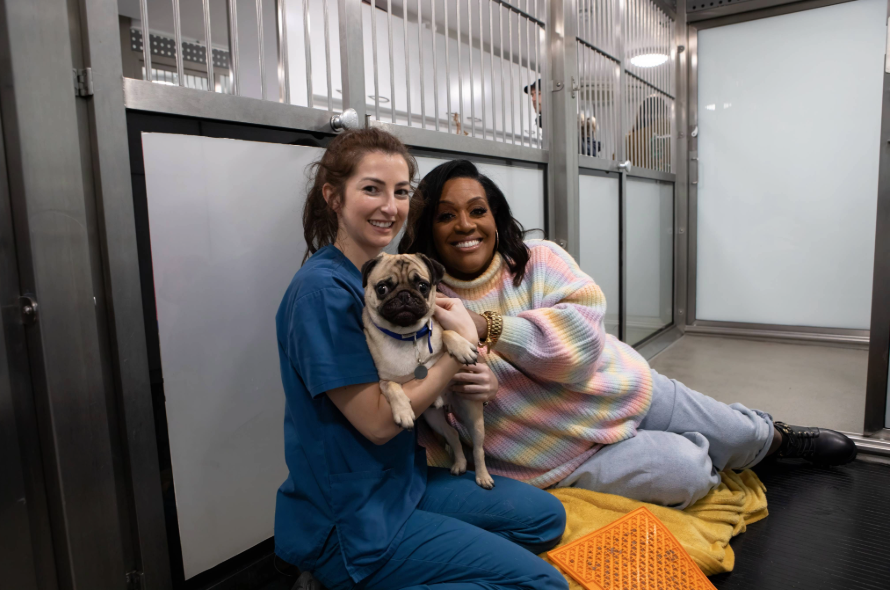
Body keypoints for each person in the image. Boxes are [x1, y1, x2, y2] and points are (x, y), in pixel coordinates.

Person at [400, 159, 857, 510]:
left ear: (495, 217)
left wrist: (487, 325)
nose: (465, 226)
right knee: (687, 474)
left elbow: (581, 345)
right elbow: (425, 395)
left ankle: (771, 439)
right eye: (445, 216)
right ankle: (710, 453)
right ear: (428, 231)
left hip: (620, 389)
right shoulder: (421, 301)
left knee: (740, 435)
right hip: (552, 452)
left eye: (477, 211)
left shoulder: (538, 258)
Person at [274, 129, 569, 590]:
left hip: (402, 483)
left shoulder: (383, 270)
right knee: (541, 584)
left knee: (545, 518)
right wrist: (461, 344)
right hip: (352, 519)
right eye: (371, 189)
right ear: (333, 197)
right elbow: (377, 423)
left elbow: (418, 367)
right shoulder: (322, 293)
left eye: (401, 191)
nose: (390, 207)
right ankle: (342, 576)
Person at [524, 78, 599, 157]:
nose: (533, 99)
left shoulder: (566, 123)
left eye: (538, 93)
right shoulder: (542, 124)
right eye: (532, 95)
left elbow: (585, 155)